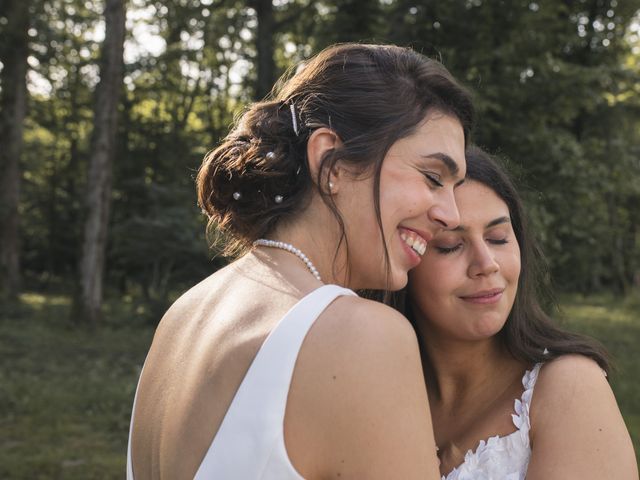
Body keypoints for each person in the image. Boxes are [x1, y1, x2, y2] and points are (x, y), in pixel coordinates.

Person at [126, 43, 474, 479]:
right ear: (333, 162)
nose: (451, 215)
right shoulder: (361, 335)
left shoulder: (183, 315)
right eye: (433, 177)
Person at [403, 146, 638, 479]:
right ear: (403, 261)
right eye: (450, 245)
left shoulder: (568, 387)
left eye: (498, 237)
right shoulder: (373, 392)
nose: (487, 264)